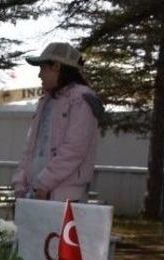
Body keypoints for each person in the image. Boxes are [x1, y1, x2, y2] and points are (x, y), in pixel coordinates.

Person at [12, 42, 103, 202]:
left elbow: (74, 149)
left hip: (64, 197)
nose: (39, 75)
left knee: (58, 229)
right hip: (34, 193)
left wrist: (44, 182)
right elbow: (31, 148)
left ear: (56, 66)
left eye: (42, 68)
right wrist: (20, 182)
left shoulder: (81, 99)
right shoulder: (45, 101)